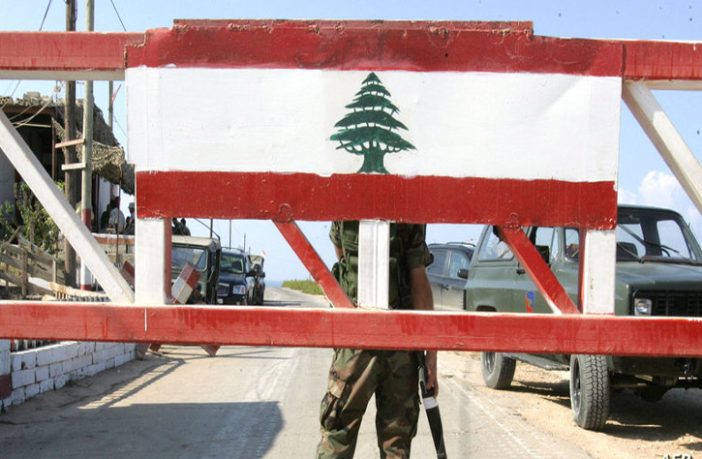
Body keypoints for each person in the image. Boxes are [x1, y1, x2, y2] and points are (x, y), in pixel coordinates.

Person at [316, 221, 437, 459]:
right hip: (401, 341)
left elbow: (341, 256)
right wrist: (431, 357)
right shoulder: (410, 208)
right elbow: (418, 279)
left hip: (355, 340)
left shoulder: (344, 205)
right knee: (396, 442)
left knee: (338, 435)